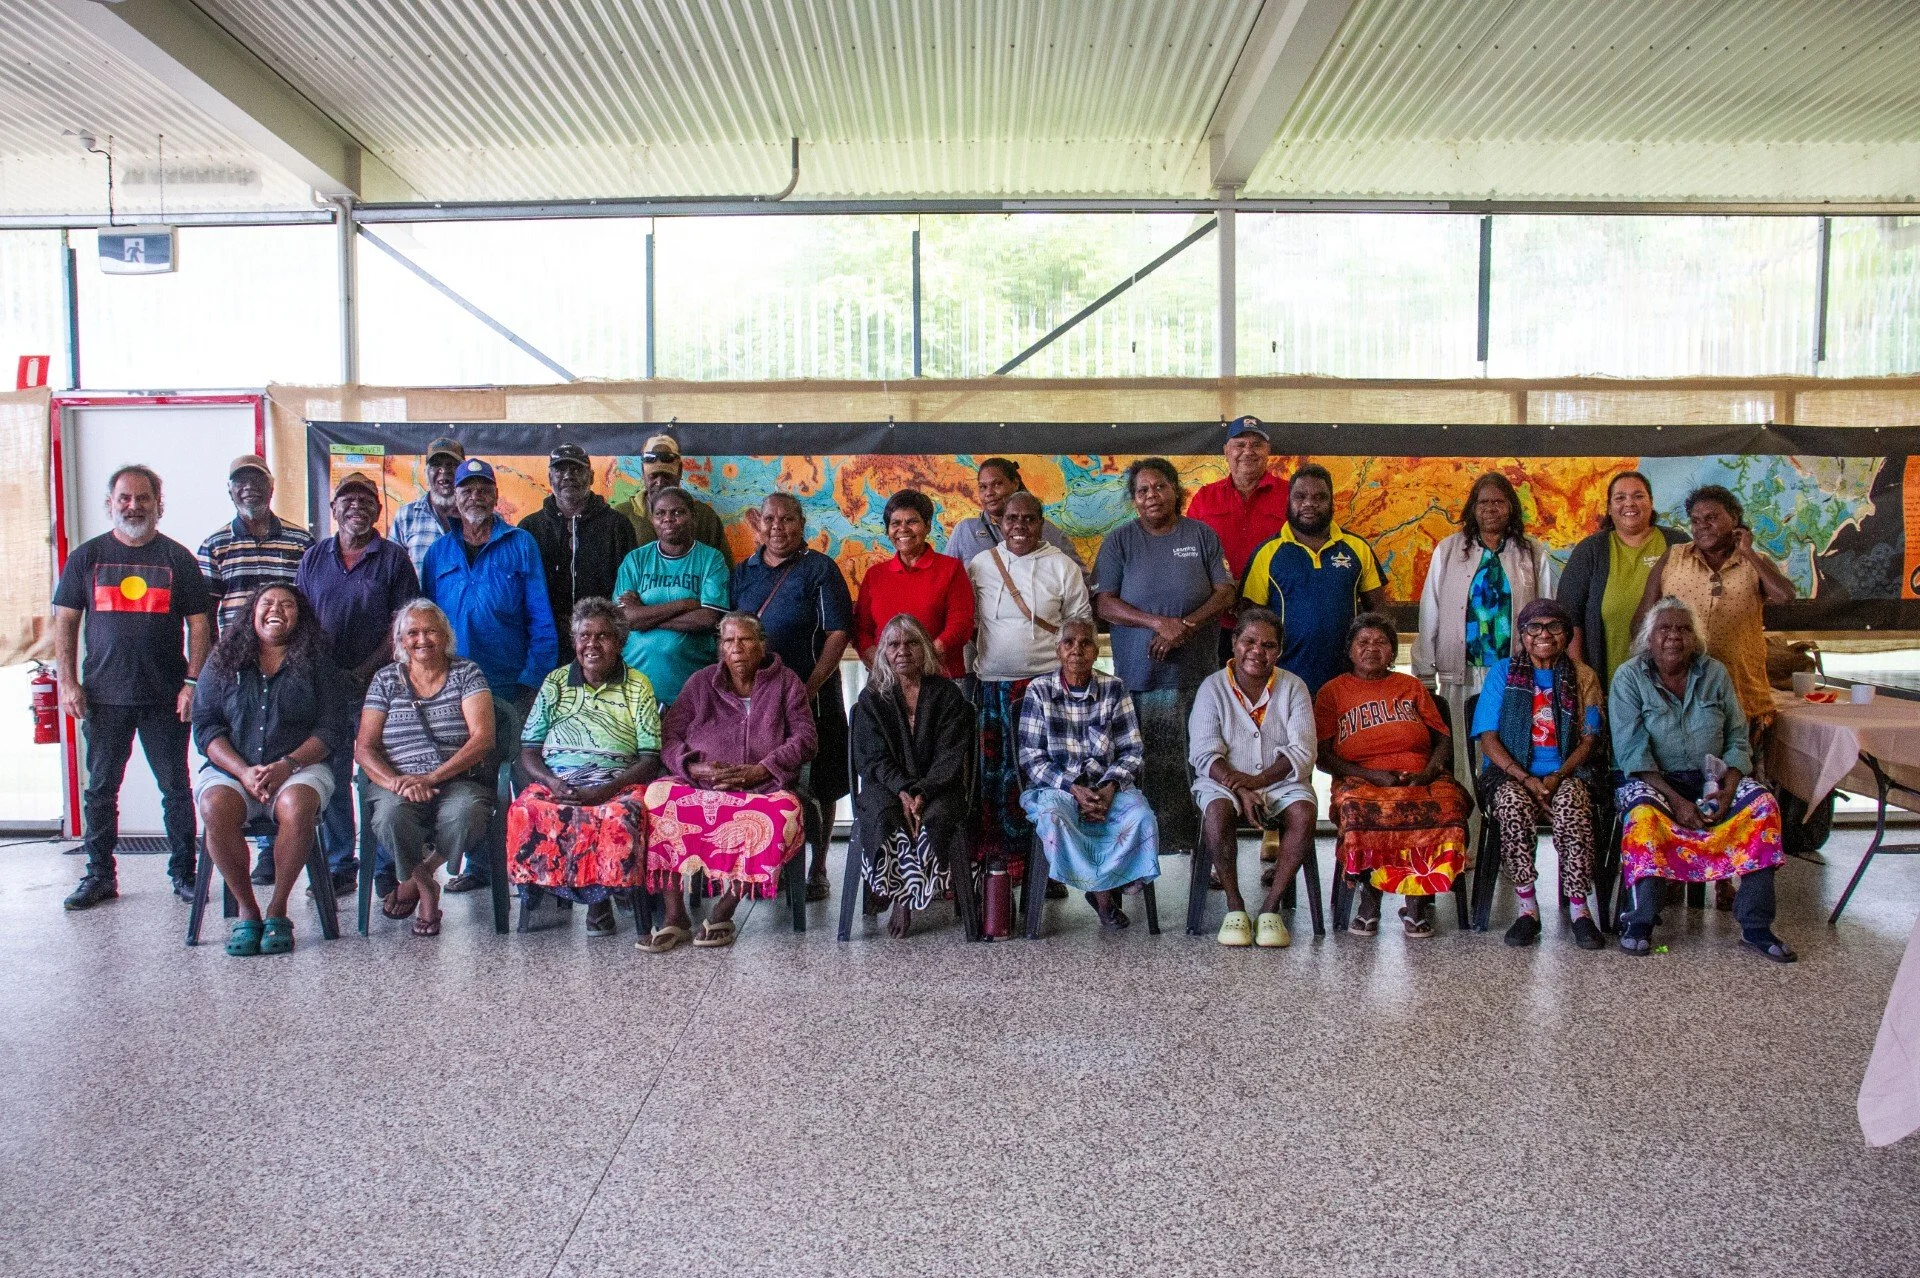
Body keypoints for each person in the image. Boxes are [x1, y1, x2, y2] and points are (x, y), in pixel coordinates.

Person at [52, 464, 215, 909]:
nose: (133, 505)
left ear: (158, 505)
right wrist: (68, 682)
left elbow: (201, 624)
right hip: (102, 697)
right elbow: (65, 621)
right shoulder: (87, 558)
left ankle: (184, 873)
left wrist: (192, 683)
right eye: (124, 498)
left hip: (166, 697)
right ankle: (99, 875)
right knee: (101, 790)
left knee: (176, 789)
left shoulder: (177, 558)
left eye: (143, 498)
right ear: (110, 503)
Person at [1610, 597, 1793, 962]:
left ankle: (1756, 926)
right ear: (1649, 639)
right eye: (1664, 629)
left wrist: (1727, 790)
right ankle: (1640, 921)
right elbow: (1632, 752)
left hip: (1714, 780)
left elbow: (1738, 738)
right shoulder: (1629, 677)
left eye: (1683, 629)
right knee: (1644, 817)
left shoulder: (1714, 673)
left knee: (1762, 805)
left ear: (1695, 638)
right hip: (1654, 780)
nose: (1674, 637)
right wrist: (1678, 802)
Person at [639, 613, 817, 953]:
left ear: (762, 644)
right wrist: (695, 767)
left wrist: (764, 768)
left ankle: (725, 909)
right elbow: (669, 736)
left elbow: (806, 739)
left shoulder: (787, 683)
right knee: (657, 798)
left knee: (779, 813)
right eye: (728, 641)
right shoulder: (701, 682)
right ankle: (675, 916)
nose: (737, 648)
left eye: (745, 640)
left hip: (761, 787)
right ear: (720, 648)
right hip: (703, 785)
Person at [191, 584, 352, 956]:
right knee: (214, 807)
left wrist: (287, 765)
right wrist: (244, 771)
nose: (275, 610)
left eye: (286, 605)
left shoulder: (318, 661)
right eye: (267, 603)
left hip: (300, 767)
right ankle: (248, 910)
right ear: (251, 612)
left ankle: (278, 908)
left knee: (297, 807)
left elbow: (332, 729)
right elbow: (206, 726)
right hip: (233, 769)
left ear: (300, 616)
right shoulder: (222, 661)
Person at [421, 458, 557, 894]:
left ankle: (535, 872)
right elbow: (423, 624)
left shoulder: (521, 544)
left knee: (523, 776)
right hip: (454, 689)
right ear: (454, 500)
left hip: (510, 683)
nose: (475, 496)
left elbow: (541, 616)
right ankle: (482, 866)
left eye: (484, 489)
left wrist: (532, 680)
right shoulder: (438, 553)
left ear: (496, 496)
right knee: (472, 777)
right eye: (467, 490)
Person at [1092, 458, 1237, 856]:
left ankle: (1206, 857)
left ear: (1175, 490)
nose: (1151, 496)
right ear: (1134, 500)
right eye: (1142, 491)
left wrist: (1184, 626)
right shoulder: (1119, 541)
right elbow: (1105, 604)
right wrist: (1158, 624)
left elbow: (1225, 593)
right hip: (1138, 684)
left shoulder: (1202, 535)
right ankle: (1140, 859)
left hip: (1196, 680)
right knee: (1143, 771)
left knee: (1200, 767)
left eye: (1159, 487)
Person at [296, 472, 421, 895]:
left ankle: (386, 864)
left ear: (378, 511)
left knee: (379, 774)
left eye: (366, 501)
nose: (356, 507)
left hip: (380, 687)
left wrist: (367, 670)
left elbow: (402, 625)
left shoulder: (393, 558)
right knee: (329, 775)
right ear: (333, 510)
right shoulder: (312, 559)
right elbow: (302, 620)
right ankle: (338, 864)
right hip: (325, 689)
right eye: (347, 500)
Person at [507, 598, 663, 936]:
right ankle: (588, 896)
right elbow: (529, 749)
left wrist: (606, 790)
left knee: (619, 815)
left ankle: (601, 900)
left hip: (617, 780)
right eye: (584, 636)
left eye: (603, 636)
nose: (591, 644)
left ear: (620, 642)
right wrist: (551, 781)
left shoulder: (638, 685)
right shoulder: (556, 682)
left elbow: (650, 758)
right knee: (525, 811)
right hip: (559, 779)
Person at [731, 492, 855, 900]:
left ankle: (817, 869)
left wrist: (810, 686)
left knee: (821, 781)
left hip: (812, 692)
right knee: (767, 777)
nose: (777, 527)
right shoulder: (743, 572)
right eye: (769, 519)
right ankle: (767, 862)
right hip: (757, 698)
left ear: (801, 524)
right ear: (758, 524)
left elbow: (838, 631)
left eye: (787, 519)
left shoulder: (819, 569)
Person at [967, 491, 1092, 895]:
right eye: (1010, 518)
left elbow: (1080, 626)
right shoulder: (981, 566)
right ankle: (1002, 863)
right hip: (992, 688)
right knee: (996, 778)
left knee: (1041, 777)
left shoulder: (1063, 567)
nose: (1019, 526)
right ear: (1000, 522)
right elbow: (972, 625)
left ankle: (1048, 865)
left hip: (1044, 690)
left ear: (1042, 522)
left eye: (1028, 519)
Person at [1316, 612, 1470, 939]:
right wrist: (1369, 775)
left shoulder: (1410, 686)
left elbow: (1442, 737)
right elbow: (1324, 756)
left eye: (1381, 642)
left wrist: (1429, 772)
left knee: (1443, 811)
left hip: (1420, 775)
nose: (1372, 649)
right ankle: (1369, 902)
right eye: (1363, 642)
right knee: (1364, 815)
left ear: (1392, 650)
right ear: (1349, 649)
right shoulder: (1332, 692)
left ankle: (1415, 905)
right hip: (1360, 778)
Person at [1469, 598, 1606, 951]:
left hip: (1569, 773)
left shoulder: (1583, 676)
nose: (1543, 634)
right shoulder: (1503, 672)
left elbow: (1589, 741)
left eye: (1554, 627)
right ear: (1522, 635)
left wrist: (1558, 776)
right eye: (1534, 627)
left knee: (1574, 806)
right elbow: (1488, 738)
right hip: (1511, 774)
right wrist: (1526, 779)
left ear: (1567, 635)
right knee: (1512, 807)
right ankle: (1527, 909)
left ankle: (1580, 910)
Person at [353, 600, 496, 938]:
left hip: (456, 779)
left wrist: (432, 777)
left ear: (445, 634)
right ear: (400, 640)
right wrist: (396, 782)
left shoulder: (467, 672)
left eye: (431, 631)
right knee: (389, 816)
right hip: (397, 781)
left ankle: (422, 873)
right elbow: (364, 747)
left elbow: (483, 738)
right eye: (412, 632)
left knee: (467, 813)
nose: (422, 639)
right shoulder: (386, 679)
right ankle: (426, 886)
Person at [1016, 618, 1160, 928]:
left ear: (1096, 652)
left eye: (1085, 643)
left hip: (1108, 787)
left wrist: (1109, 787)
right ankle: (1104, 896)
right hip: (1057, 788)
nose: (1077, 650)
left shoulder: (1114, 688)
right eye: (1069, 642)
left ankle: (1103, 891)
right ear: (1058, 650)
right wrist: (1073, 789)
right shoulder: (1039, 691)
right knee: (1055, 816)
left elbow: (1132, 751)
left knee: (1142, 818)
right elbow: (1031, 758)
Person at [1414, 472, 1555, 787]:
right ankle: (1467, 834)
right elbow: (1430, 612)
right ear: (1472, 509)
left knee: (1509, 755)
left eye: (1499, 502)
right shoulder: (1448, 550)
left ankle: (1504, 832)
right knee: (1461, 760)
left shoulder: (1532, 552)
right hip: (1461, 672)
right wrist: (1424, 673)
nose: (1491, 508)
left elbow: (1548, 612)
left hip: (1514, 674)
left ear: (1511, 508)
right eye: (1483, 502)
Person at [1189, 608, 1317, 949]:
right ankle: (1235, 906)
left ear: (1279, 651)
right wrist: (1240, 785)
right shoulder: (1212, 687)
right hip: (1222, 781)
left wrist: (1255, 784)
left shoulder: (1294, 687)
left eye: (1268, 645)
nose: (1257, 651)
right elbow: (1203, 752)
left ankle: (1270, 908)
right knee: (1216, 812)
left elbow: (1302, 751)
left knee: (1303, 813)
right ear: (1234, 643)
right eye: (1248, 641)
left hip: (1281, 781)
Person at [1636, 485, 1796, 740]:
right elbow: (1645, 617)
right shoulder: (1674, 557)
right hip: (1682, 689)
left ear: (1734, 519)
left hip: (1742, 689)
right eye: (1696, 521)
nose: (1702, 526)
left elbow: (1785, 596)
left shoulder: (1755, 561)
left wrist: (1748, 553)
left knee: (1740, 771)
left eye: (1711, 518)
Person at [850, 615, 975, 939]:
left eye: (912, 643)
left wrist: (921, 790)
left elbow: (951, 755)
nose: (902, 650)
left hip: (939, 786)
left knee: (935, 818)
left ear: (926, 650)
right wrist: (904, 789)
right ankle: (901, 896)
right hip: (887, 787)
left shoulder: (947, 695)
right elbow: (872, 758)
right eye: (893, 644)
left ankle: (902, 895)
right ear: (884, 653)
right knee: (886, 815)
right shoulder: (872, 698)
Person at [1240, 461, 1388, 696]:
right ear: (1288, 501)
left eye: (1319, 497)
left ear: (1332, 503)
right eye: (1300, 496)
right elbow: (1250, 621)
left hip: (1348, 680)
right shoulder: (1267, 553)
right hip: (1284, 681)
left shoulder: (1357, 548)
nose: (1309, 503)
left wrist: (1373, 658)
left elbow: (1378, 609)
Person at [1557, 470, 1691, 686]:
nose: (1630, 503)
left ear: (1651, 502)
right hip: (1608, 682)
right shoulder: (1590, 550)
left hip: (1674, 682)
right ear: (1609, 508)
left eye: (1638, 496)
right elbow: (1570, 616)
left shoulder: (1678, 543)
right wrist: (1581, 676)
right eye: (1620, 498)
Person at [518, 442, 638, 665]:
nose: (568, 476)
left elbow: (628, 590)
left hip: (602, 641)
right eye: (560, 469)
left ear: (591, 476)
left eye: (576, 469)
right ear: (549, 476)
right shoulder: (528, 529)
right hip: (546, 641)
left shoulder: (617, 525)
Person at [613, 486, 730, 707]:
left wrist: (645, 618)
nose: (668, 519)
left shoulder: (711, 559)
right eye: (660, 513)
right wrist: (685, 604)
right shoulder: (635, 560)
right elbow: (625, 619)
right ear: (652, 518)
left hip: (691, 687)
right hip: (635, 688)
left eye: (677, 512)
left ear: (693, 517)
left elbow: (708, 619)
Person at [1187, 415, 1291, 658]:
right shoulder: (1204, 498)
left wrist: (1251, 597)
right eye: (1240, 444)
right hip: (1214, 624)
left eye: (1256, 445)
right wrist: (1226, 592)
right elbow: (1190, 555)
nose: (1248, 451)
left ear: (1268, 451)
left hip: (1273, 623)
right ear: (1226, 451)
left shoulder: (1291, 495)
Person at [853, 489, 974, 680]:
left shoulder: (951, 569)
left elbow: (961, 625)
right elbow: (861, 630)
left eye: (912, 521)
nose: (903, 529)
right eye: (895, 523)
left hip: (939, 678)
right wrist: (883, 665)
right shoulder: (874, 575)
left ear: (927, 526)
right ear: (888, 530)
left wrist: (920, 661)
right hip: (885, 680)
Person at [195, 454, 313, 637]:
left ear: (271, 488)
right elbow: (205, 614)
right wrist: (217, 658)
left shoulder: (302, 541)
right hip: (235, 655)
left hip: (291, 654)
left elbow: (311, 604)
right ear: (230, 491)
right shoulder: (214, 546)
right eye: (240, 481)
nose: (249, 487)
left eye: (257, 480)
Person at [945, 457, 1085, 570]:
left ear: (1015, 483)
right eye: (983, 487)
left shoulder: (1046, 531)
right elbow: (943, 581)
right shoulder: (966, 531)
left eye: (997, 484)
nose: (989, 493)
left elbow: (1080, 581)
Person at [619, 432, 734, 568]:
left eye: (667, 475)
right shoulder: (623, 516)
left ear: (679, 472)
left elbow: (724, 569)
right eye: (653, 476)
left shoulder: (704, 517)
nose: (660, 482)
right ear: (643, 473)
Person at [391, 436, 465, 576]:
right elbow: (392, 570)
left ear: (463, 471)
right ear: (426, 472)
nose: (444, 471)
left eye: (451, 465)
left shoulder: (482, 517)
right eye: (436, 465)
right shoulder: (406, 516)